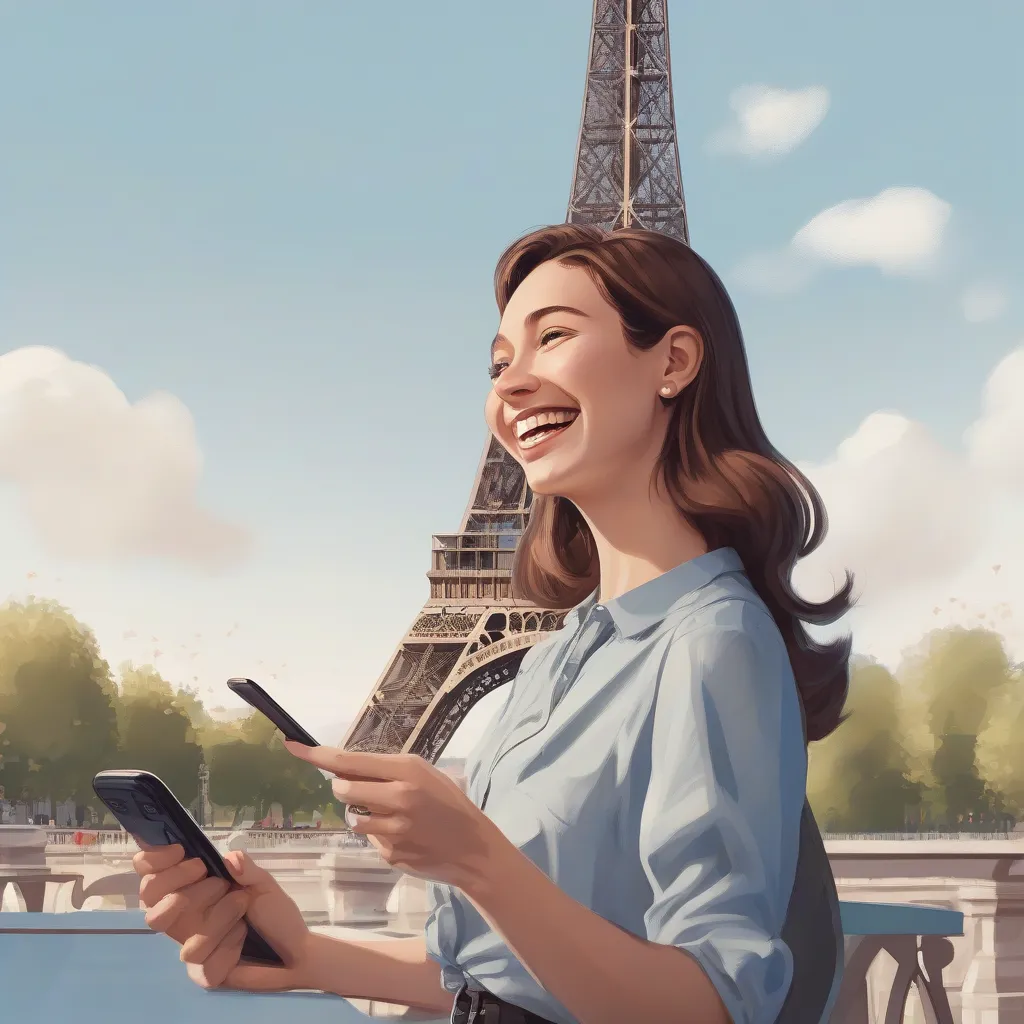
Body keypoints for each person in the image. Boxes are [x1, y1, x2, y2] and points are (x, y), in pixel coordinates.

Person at [133, 224, 852, 1024]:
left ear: (674, 362)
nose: (512, 385)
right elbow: (507, 978)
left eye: (554, 337)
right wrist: (304, 954)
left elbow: (712, 1006)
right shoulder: (557, 659)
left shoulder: (712, 640)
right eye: (499, 362)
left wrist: (474, 856)